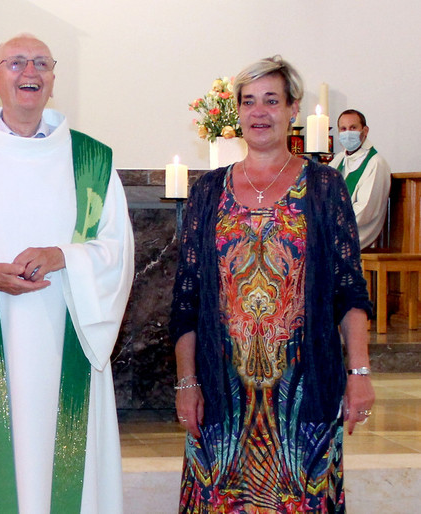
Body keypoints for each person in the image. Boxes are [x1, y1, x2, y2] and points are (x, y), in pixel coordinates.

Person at [0, 34, 134, 513]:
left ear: (53, 81)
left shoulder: (94, 161)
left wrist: (64, 257)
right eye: (15, 63)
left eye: (40, 63)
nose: (28, 72)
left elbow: (117, 252)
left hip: (67, 337)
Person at [170, 56, 375, 512]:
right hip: (221, 398)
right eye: (248, 102)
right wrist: (187, 382)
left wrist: (358, 373)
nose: (259, 112)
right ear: (236, 112)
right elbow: (186, 299)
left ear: (291, 109)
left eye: (271, 100)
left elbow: (349, 290)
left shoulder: (324, 187)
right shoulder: (207, 191)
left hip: (305, 395)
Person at [330, 109, 392, 249]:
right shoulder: (339, 160)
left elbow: (365, 210)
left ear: (365, 130)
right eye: (343, 129)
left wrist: (330, 224)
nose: (348, 133)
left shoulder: (375, 163)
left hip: (355, 234)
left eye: (353, 128)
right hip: (333, 230)